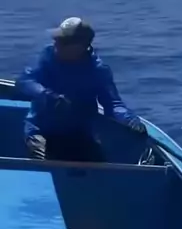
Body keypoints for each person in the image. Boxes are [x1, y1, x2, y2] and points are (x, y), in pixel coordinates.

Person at [15, 17, 147, 162]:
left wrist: (130, 120)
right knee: (44, 162)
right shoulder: (47, 56)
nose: (57, 44)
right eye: (56, 39)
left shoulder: (97, 70)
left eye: (63, 41)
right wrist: (45, 95)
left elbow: (113, 104)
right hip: (41, 131)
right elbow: (25, 81)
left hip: (79, 134)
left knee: (97, 167)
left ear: (81, 46)